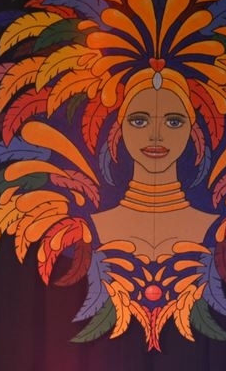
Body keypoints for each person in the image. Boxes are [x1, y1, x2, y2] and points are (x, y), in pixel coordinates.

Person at [90, 82, 218, 260]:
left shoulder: (216, 226)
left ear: (191, 130)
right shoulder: (91, 226)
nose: (156, 135)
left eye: (174, 122)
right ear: (120, 129)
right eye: (139, 121)